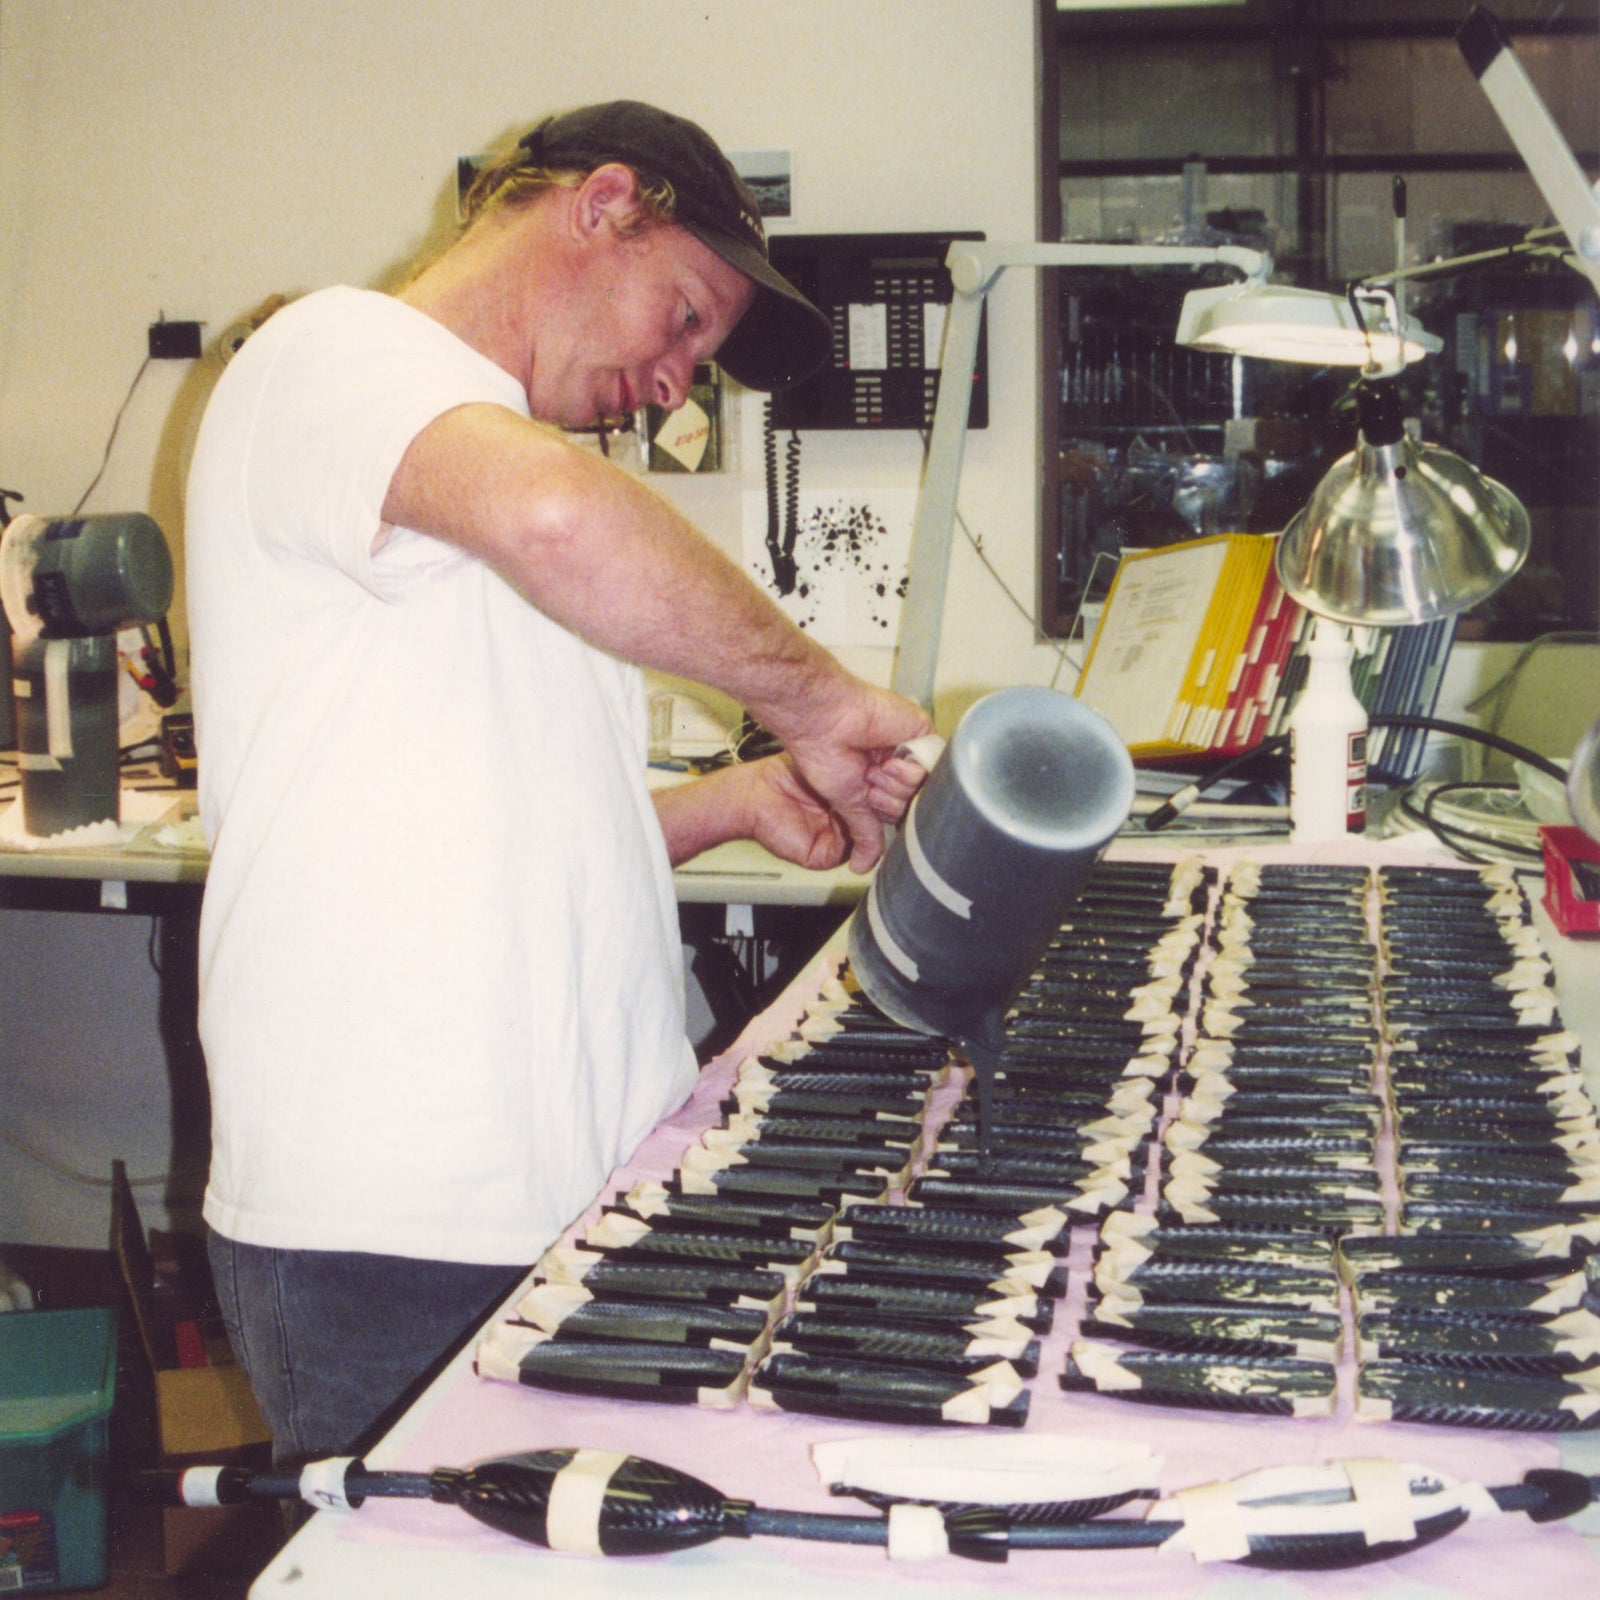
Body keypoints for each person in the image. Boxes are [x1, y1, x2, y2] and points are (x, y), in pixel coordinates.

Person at [184, 100, 931, 1465]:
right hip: (401, 1222)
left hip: (571, 1191)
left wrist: (740, 799)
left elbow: (509, 828)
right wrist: (817, 701)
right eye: (686, 320)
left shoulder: (468, 463)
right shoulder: (337, 356)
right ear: (603, 206)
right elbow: (554, 514)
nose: (676, 384)